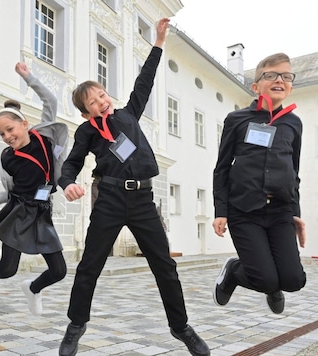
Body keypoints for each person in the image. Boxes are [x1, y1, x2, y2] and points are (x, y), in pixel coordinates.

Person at [57, 18, 210, 356]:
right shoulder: (87, 133)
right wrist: (67, 183)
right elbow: (70, 164)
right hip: (109, 198)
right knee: (89, 266)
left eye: (102, 94)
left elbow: (146, 80)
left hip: (142, 199)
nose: (101, 101)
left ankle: (181, 326)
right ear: (85, 113)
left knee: (165, 266)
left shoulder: (128, 114)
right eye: (93, 102)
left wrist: (158, 42)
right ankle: (75, 325)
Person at [0, 62, 68, 317]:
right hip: (18, 213)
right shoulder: (8, 158)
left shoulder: (44, 138)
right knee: (7, 269)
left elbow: (50, 100)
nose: (7, 136)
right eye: (1, 133)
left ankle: (33, 288)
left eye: (10, 129)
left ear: (25, 124)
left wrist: (28, 76)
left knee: (59, 270)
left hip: (41, 211)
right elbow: (10, 192)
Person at [211, 53, 307, 315]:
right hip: (244, 210)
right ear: (256, 86)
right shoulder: (237, 120)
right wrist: (221, 210)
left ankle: (272, 283)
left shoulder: (293, 123)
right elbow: (222, 167)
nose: (279, 79)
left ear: (290, 85)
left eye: (286, 76)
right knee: (265, 278)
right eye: (271, 75)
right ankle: (234, 271)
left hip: (281, 211)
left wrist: (296, 213)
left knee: (294, 280)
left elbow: (293, 170)